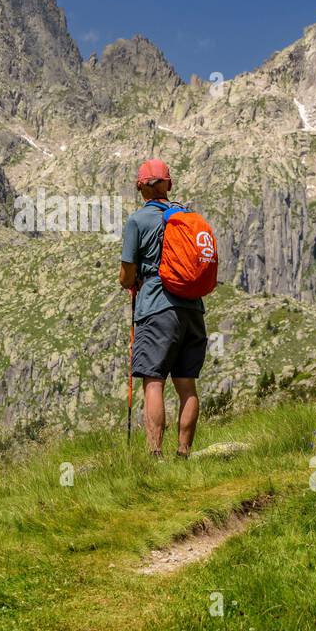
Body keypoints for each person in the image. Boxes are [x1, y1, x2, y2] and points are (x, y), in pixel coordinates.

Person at [118, 158, 207, 459]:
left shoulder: (137, 221)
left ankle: (155, 456)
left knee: (153, 381)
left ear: (140, 187)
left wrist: (132, 282)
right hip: (193, 308)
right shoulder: (186, 218)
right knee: (187, 385)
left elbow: (126, 275)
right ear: (170, 184)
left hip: (157, 307)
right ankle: (183, 454)